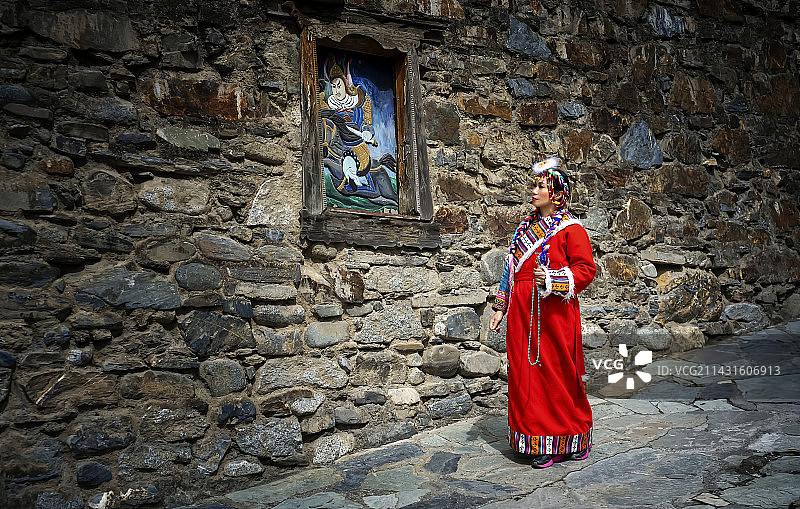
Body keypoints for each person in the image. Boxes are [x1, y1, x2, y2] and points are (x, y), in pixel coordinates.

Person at [489, 157, 597, 468]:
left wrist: (553, 279)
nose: (533, 191)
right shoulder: (525, 229)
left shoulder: (571, 230)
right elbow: (510, 269)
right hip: (524, 310)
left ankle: (572, 434)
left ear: (556, 192)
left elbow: (586, 270)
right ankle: (538, 438)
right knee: (527, 374)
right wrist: (500, 306)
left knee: (558, 372)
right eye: (534, 185)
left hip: (555, 312)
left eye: (540, 186)